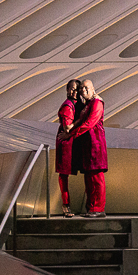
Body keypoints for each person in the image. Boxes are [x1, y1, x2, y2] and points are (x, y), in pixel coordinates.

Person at [66, 79, 107, 217]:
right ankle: (91, 207)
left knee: (96, 178)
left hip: (95, 145)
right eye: (82, 89)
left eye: (86, 88)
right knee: (89, 178)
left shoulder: (97, 103)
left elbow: (90, 123)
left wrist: (71, 134)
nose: (84, 90)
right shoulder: (88, 104)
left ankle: (98, 208)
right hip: (88, 145)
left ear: (93, 88)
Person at [54, 80, 82, 215]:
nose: (73, 92)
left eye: (76, 89)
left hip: (75, 140)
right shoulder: (68, 106)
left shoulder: (79, 104)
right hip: (66, 142)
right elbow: (66, 128)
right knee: (64, 174)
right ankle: (65, 205)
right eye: (71, 89)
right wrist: (81, 119)